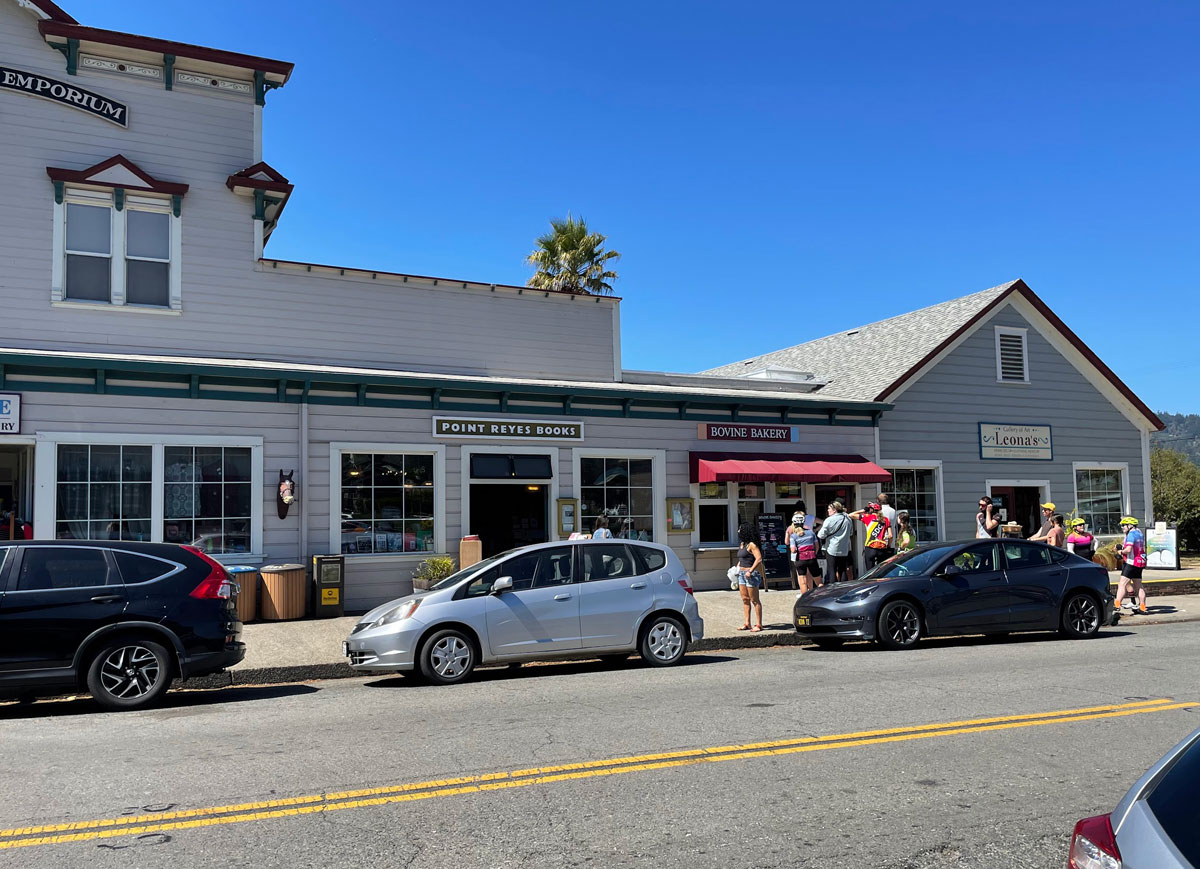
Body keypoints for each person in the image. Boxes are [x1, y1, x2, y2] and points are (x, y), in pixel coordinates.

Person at [1114, 516, 1148, 614]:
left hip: (1131, 562)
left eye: (1124, 525)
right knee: (1139, 586)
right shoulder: (1139, 533)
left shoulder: (1131, 535)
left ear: (1130, 525)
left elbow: (1128, 550)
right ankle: (1142, 607)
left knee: (1122, 584)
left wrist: (1121, 552)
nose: (1122, 527)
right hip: (1140, 562)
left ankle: (1117, 606)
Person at [735, 522, 764, 632]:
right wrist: (737, 568)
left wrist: (750, 571)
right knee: (745, 599)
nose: (738, 531)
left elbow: (759, 558)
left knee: (754, 600)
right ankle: (747, 623)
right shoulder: (742, 544)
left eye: (740, 529)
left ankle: (759, 624)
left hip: (750, 574)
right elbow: (742, 558)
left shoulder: (752, 544)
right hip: (741, 574)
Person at [818, 501, 853, 584]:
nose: (828, 510)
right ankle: (843, 587)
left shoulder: (829, 520)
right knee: (843, 569)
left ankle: (833, 590)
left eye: (829, 509)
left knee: (832, 570)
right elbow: (851, 533)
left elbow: (821, 535)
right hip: (844, 549)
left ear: (834, 510)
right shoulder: (848, 519)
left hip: (831, 548)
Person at [849, 502, 892, 570]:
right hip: (882, 548)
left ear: (871, 509)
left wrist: (864, 510)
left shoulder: (867, 517)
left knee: (870, 571)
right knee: (881, 571)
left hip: (870, 547)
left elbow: (851, 515)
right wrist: (888, 546)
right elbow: (890, 536)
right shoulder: (885, 519)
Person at [787, 512, 820, 594]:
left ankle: (804, 600)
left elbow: (793, 550)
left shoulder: (793, 536)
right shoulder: (811, 532)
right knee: (819, 581)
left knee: (803, 582)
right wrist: (814, 554)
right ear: (803, 522)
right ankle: (821, 599)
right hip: (812, 558)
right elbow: (817, 546)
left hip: (800, 560)